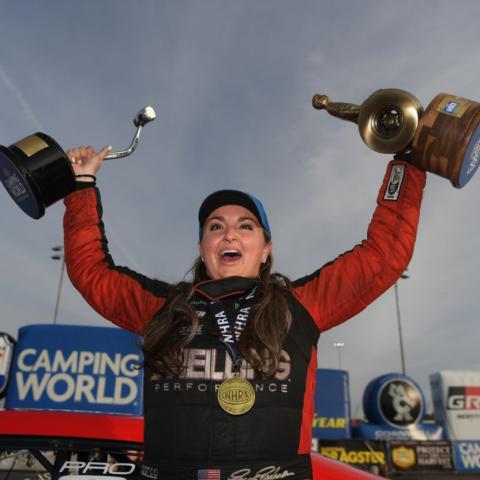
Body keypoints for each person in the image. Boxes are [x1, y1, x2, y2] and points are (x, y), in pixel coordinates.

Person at [64, 145, 426, 480]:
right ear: (203, 247)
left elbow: (384, 254)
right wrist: (81, 185)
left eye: (245, 226)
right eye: (215, 227)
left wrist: (407, 163)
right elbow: (91, 271)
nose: (229, 235)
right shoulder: (160, 308)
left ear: (266, 249)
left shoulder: (302, 305)